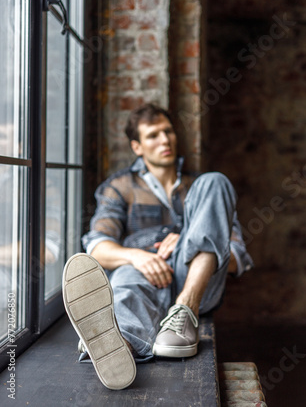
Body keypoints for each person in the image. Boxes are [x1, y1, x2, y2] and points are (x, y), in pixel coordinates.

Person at [62, 103, 253, 390]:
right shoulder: (120, 186)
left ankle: (184, 311)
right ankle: (117, 344)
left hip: (198, 284)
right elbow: (97, 247)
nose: (165, 140)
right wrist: (136, 256)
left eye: (168, 132)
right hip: (144, 277)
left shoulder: (200, 188)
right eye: (153, 135)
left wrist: (191, 238)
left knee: (216, 180)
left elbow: (237, 256)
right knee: (127, 277)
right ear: (137, 147)